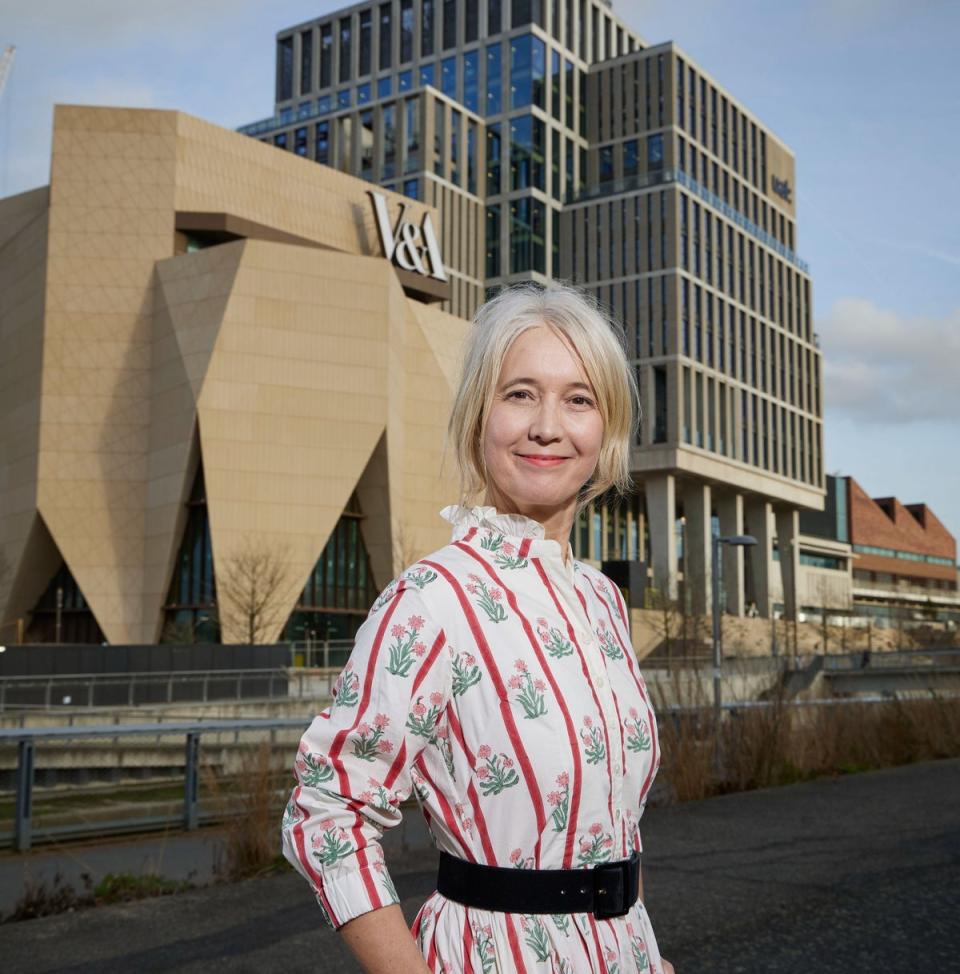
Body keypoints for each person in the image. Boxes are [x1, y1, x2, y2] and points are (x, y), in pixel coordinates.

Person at [281, 284, 673, 973]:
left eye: (579, 399)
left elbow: (608, 819)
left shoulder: (601, 599)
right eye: (520, 393)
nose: (548, 425)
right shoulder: (430, 602)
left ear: (606, 430)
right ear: (476, 417)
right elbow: (327, 812)